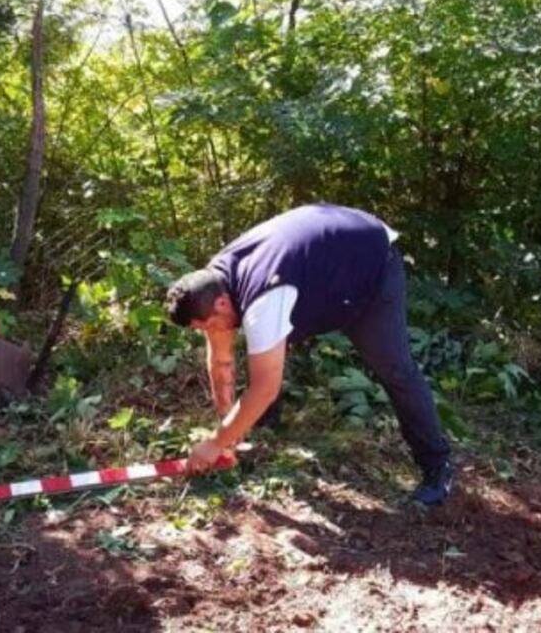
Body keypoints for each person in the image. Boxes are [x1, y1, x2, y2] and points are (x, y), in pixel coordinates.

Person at [165, 204, 455, 505]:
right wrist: (227, 430)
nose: (210, 332)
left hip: (368, 265)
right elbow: (221, 362)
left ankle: (437, 466)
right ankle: (260, 424)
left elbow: (264, 388)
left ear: (222, 304)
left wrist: (215, 443)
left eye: (209, 325)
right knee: (265, 350)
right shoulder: (211, 285)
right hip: (317, 268)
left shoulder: (263, 300)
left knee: (395, 369)